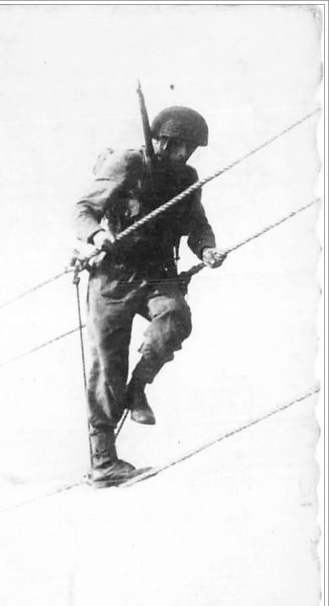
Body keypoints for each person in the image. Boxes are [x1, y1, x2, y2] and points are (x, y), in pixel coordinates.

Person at [73, 106, 227, 486]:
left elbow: (197, 224)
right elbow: (84, 209)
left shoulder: (187, 178)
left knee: (175, 318)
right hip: (113, 276)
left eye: (190, 149)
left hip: (158, 273)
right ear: (162, 140)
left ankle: (138, 388)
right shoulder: (126, 163)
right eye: (180, 147)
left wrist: (206, 249)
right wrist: (96, 235)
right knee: (106, 369)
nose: (185, 155)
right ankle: (104, 463)